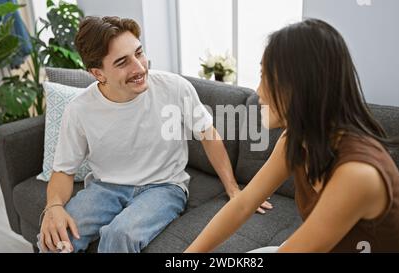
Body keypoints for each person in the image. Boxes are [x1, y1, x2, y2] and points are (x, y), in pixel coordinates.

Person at [37, 16, 272, 253]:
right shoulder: (79, 109)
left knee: (120, 235)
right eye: (122, 62)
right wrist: (54, 205)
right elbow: (64, 169)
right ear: (98, 73)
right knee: (53, 239)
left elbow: (208, 134)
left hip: (164, 187)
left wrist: (233, 189)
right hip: (105, 187)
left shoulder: (174, 88)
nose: (139, 68)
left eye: (139, 53)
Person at [185, 18, 399, 253]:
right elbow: (243, 205)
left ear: (298, 85)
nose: (258, 91)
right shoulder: (294, 140)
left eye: (264, 75)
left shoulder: (357, 174)